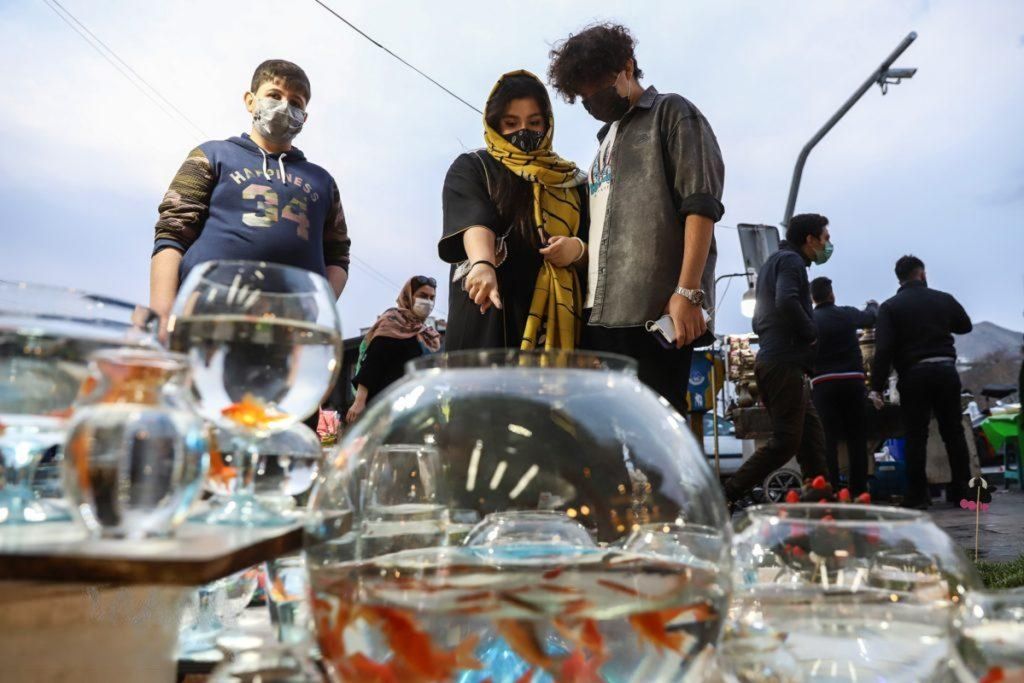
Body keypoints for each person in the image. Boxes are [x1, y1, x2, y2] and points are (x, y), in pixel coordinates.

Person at [547, 23, 724, 414]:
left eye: (597, 83)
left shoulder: (672, 113)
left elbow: (701, 205)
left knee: (657, 432)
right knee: (606, 434)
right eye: (582, 94)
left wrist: (688, 292)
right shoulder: (605, 141)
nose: (591, 97)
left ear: (627, 67)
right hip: (600, 313)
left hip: (653, 310)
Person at [150, 59, 351, 326]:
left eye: (296, 103)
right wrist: (161, 316)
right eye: (274, 95)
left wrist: (317, 310)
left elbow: (338, 255)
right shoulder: (211, 155)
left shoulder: (322, 181)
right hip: (205, 315)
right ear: (250, 100)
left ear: (304, 117)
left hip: (287, 328)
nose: (284, 106)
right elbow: (172, 232)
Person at [439, 71, 589, 351]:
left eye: (534, 122)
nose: (524, 131)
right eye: (511, 123)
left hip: (558, 324)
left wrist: (577, 250)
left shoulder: (572, 181)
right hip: (491, 310)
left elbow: (599, 244)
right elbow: (474, 221)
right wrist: (483, 263)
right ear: (495, 123)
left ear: (547, 124)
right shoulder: (474, 166)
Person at [723, 214, 832, 504]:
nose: (828, 244)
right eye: (825, 238)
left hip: (781, 362)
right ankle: (727, 494)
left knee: (812, 439)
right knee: (785, 442)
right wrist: (809, 332)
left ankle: (820, 500)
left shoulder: (775, 261)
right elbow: (786, 300)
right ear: (810, 239)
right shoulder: (791, 262)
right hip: (784, 364)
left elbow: (762, 317)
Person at [870, 255, 973, 509]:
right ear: (922, 274)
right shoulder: (943, 299)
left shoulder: (890, 307)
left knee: (916, 436)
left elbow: (883, 350)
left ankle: (918, 496)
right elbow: (965, 326)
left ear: (899, 278)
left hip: (914, 375)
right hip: (946, 371)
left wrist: (876, 387)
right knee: (954, 433)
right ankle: (963, 491)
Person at [809, 276, 878, 495]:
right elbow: (871, 318)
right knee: (856, 439)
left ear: (812, 297)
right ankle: (858, 491)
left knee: (828, 440)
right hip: (852, 383)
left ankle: (832, 491)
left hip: (823, 385)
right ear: (832, 294)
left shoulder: (809, 318)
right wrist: (872, 305)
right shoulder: (846, 314)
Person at [347, 276, 441, 423]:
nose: (428, 302)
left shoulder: (425, 333)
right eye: (423, 296)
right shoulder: (392, 323)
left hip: (413, 410)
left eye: (431, 298)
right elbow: (373, 363)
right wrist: (359, 402)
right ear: (409, 296)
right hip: (384, 409)